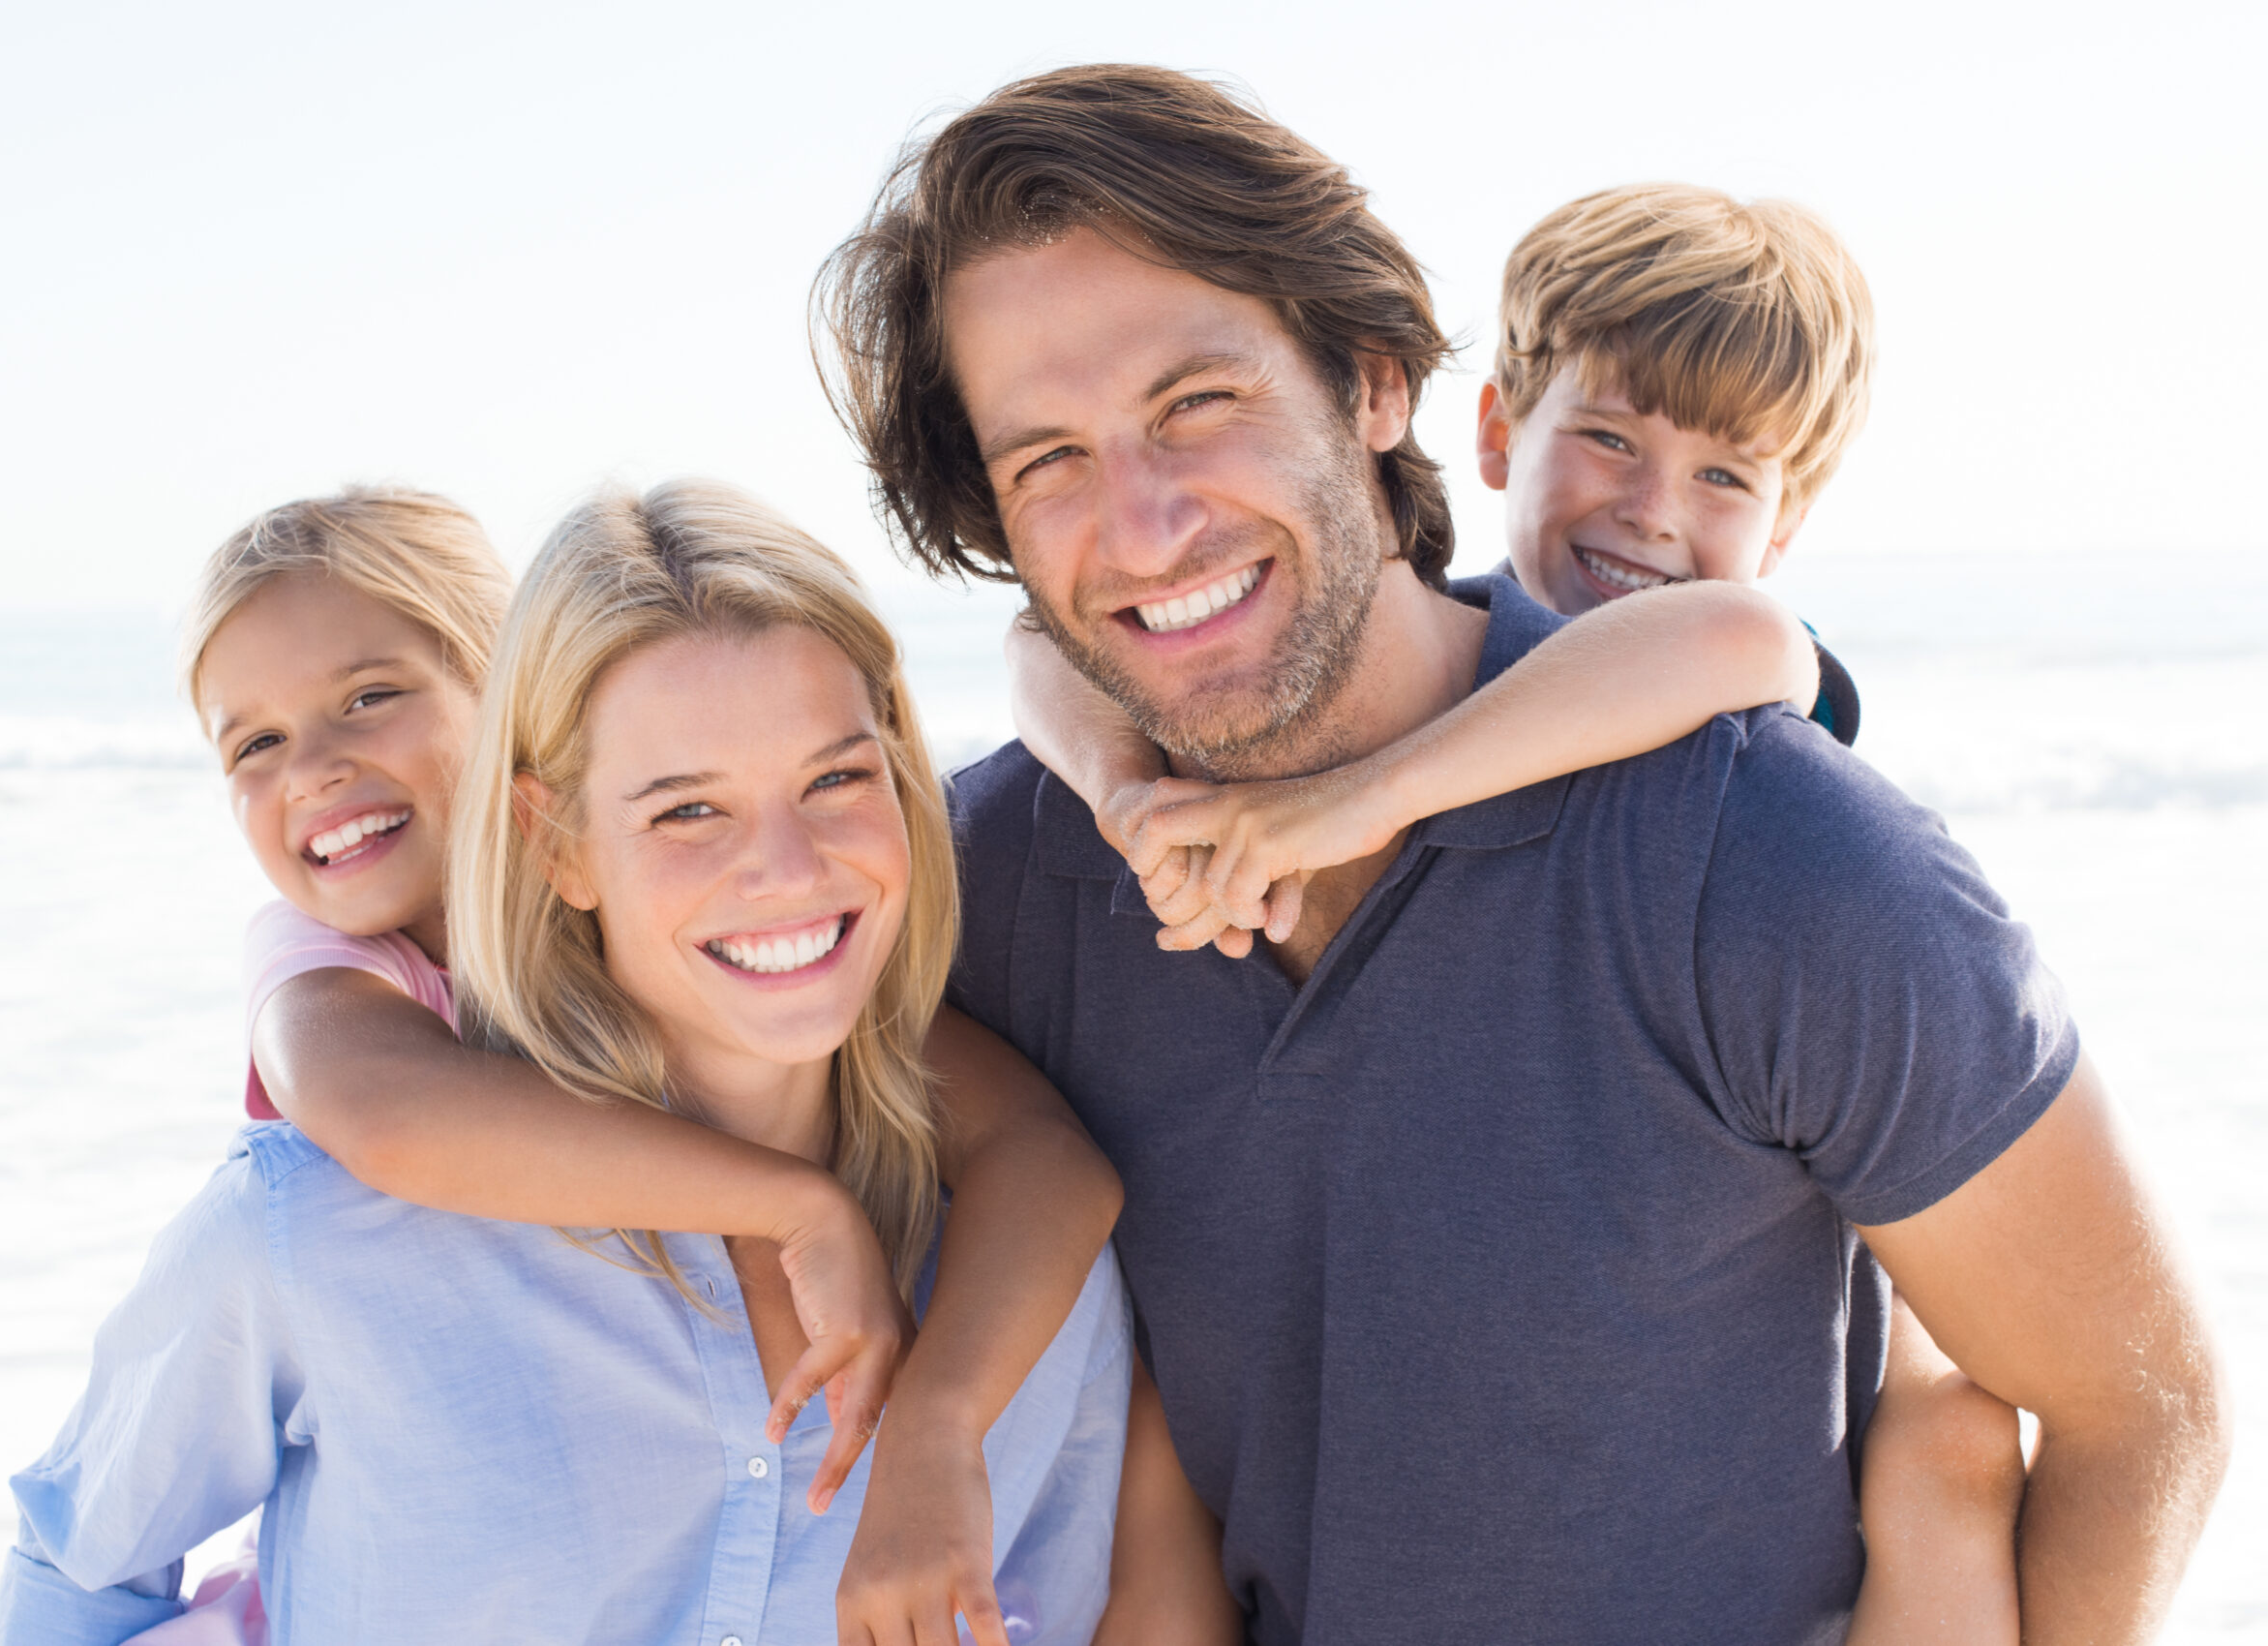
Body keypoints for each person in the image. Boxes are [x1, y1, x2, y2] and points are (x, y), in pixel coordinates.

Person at [815, 62, 2228, 1643]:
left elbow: (2137, 1405)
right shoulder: (987, 885)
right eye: (1048, 461)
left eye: (1195, 405)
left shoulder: (1764, 856)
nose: (1143, 527)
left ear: (1370, 383)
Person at [1001, 179, 2032, 1639]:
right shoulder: (1414, 635)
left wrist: (1359, 803)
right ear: (1494, 433)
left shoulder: (1728, 694)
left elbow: (1731, 634)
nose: (1652, 511)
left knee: (1951, 1459)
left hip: (1810, 1301)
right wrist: (1124, 793)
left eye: (1728, 479)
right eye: (1606, 438)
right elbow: (1038, 643)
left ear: (1787, 520)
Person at [0, 484, 1129, 1645]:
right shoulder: (321, 1173)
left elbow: (1035, 1145)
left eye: (835, 778)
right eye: (686, 808)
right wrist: (800, 1208)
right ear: (550, 834)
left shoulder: (1014, 1275)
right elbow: (79, 1562)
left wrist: (933, 1418)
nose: (784, 869)